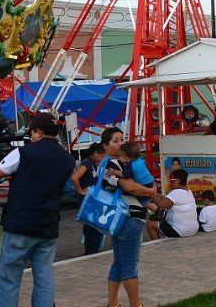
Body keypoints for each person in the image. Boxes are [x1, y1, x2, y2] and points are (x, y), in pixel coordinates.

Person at [0, 113, 75, 307]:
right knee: (44, 277)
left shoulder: (24, 152)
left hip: (20, 224)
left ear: (38, 132)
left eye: (32, 133)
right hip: (48, 226)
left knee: (9, 279)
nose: (30, 137)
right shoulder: (68, 160)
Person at [97, 126, 160, 307]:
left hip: (117, 219)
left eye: (122, 139)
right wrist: (150, 190)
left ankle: (113, 303)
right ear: (106, 146)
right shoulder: (115, 164)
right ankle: (135, 304)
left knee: (119, 262)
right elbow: (131, 187)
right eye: (115, 141)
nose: (121, 144)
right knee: (130, 266)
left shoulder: (105, 163)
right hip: (129, 216)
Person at [70, 142, 105, 255]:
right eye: (101, 155)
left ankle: (91, 250)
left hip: (92, 200)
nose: (102, 158)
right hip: (86, 201)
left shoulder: (94, 164)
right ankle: (92, 251)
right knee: (94, 226)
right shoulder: (87, 163)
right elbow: (75, 178)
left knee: (91, 226)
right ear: (95, 153)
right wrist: (81, 191)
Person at [147, 169, 198, 239]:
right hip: (193, 229)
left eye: (172, 180)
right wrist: (159, 195)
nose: (171, 183)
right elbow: (171, 200)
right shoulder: (188, 191)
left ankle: (157, 244)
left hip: (180, 231)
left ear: (178, 180)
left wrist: (152, 196)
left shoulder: (176, 192)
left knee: (150, 224)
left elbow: (160, 204)